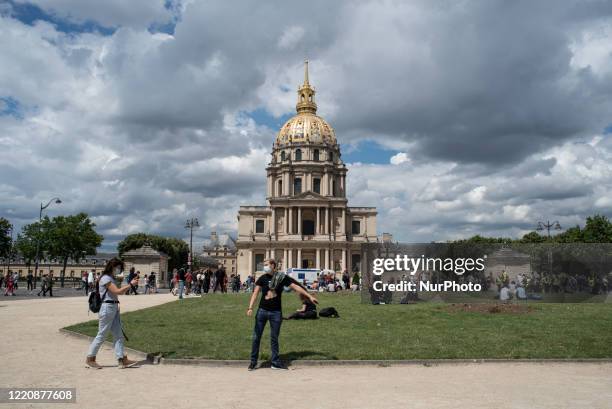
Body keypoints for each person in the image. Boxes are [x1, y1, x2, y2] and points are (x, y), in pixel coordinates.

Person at [246, 259, 318, 371]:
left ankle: (275, 362)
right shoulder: (262, 278)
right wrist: (250, 307)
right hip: (262, 311)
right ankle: (253, 362)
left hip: (276, 312)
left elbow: (295, 287)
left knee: (274, 338)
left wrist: (309, 296)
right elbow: (255, 293)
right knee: (256, 337)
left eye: (266, 265)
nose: (264, 267)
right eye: (264, 265)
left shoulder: (281, 277)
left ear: (273, 266)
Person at [85, 258, 140, 369]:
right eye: (118, 267)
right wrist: (130, 284)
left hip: (113, 307)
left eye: (120, 268)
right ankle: (90, 358)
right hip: (107, 307)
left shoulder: (110, 278)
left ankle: (121, 359)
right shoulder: (105, 278)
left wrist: (131, 285)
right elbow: (117, 291)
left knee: (118, 334)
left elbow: (120, 292)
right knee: (102, 334)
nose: (119, 270)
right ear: (112, 267)